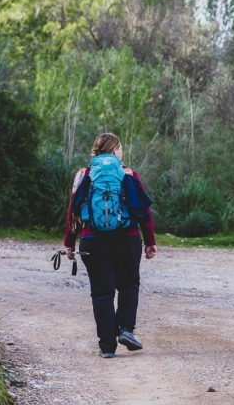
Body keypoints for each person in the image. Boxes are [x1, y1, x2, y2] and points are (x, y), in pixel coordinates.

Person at [64, 133, 157, 358]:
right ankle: (125, 329)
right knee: (128, 285)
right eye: (120, 148)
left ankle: (107, 346)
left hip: (92, 241)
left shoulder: (83, 174)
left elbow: (73, 211)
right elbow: (143, 210)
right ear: (115, 151)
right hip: (127, 239)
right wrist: (150, 241)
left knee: (101, 293)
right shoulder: (128, 173)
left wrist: (69, 243)